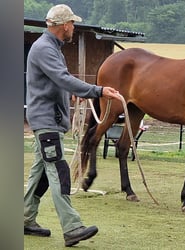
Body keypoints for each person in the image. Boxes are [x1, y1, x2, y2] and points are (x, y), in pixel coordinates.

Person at [24, 4, 120, 247]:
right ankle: (72, 227)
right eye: (73, 24)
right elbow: (63, 78)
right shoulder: (45, 48)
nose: (74, 28)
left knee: (41, 175)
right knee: (59, 172)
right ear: (64, 25)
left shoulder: (51, 47)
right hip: (47, 121)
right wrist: (97, 91)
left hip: (48, 120)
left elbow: (56, 81)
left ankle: (24, 219)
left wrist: (69, 94)